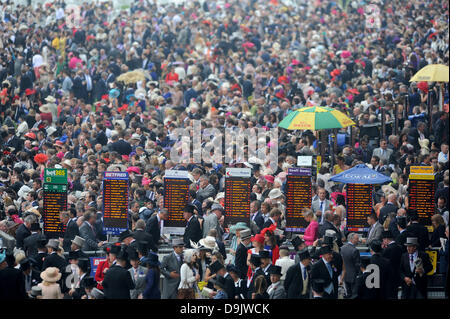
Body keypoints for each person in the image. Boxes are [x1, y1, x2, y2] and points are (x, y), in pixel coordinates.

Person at [381, 230, 403, 299]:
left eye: (383, 240)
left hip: (388, 277)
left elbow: (383, 263)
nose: (383, 242)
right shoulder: (399, 247)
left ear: (386, 239)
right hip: (397, 275)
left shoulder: (387, 250)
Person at [340, 233, 361, 298]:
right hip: (353, 276)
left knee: (348, 294)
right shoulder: (355, 250)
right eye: (357, 239)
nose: (358, 240)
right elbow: (357, 265)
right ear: (352, 240)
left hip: (344, 276)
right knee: (354, 295)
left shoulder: (342, 248)